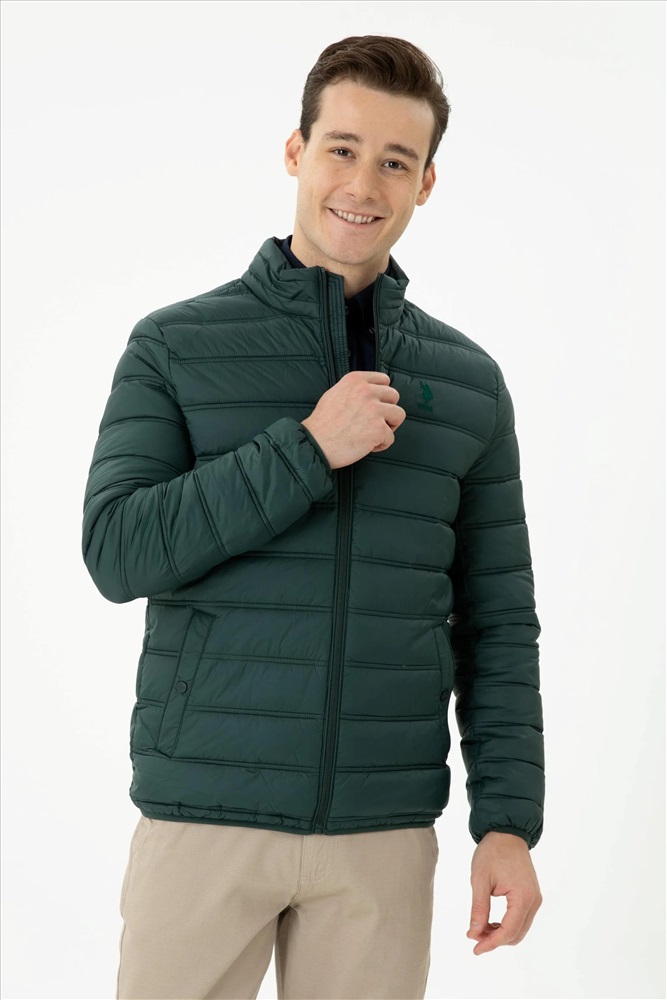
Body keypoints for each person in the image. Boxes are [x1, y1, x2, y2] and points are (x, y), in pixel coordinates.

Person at [82, 34, 545, 1000]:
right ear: (295, 152)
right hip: (205, 815)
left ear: (426, 184)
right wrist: (303, 449)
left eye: (395, 161)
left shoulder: (468, 386)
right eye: (341, 148)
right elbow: (118, 550)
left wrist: (507, 821)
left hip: (381, 836)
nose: (363, 185)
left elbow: (497, 622)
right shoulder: (175, 346)